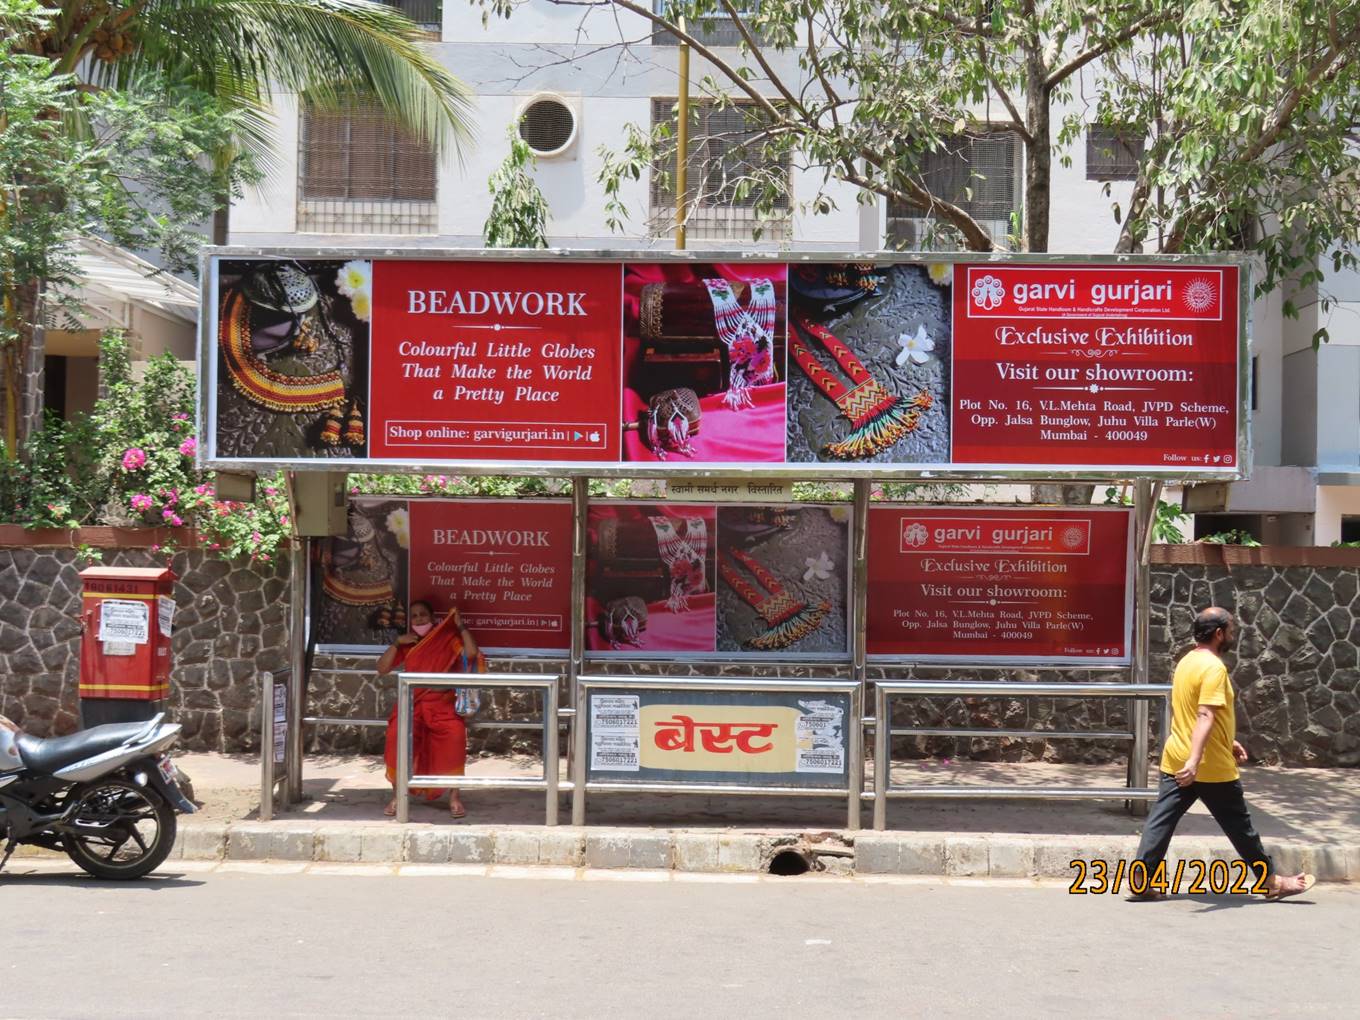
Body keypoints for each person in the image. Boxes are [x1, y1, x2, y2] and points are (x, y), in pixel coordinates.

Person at [1132, 607, 1314, 900]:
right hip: (1208, 765)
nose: (1233, 636)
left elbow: (1192, 711)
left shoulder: (1186, 662)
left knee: (1161, 820)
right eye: (1231, 631)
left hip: (1177, 757)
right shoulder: (1214, 668)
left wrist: (1227, 741)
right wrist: (1195, 761)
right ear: (1219, 634)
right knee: (1240, 826)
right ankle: (1270, 882)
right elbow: (1204, 714)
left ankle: (1142, 879)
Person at [378, 600, 485, 819]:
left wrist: (460, 626)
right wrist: (397, 642)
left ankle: (454, 797)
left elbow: (471, 653)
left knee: (455, 737)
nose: (419, 619)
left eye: (423, 614)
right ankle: (398, 795)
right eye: (415, 616)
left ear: (433, 617)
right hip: (412, 705)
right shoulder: (409, 643)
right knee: (396, 737)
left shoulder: (447, 639)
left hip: (443, 705)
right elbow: (382, 668)